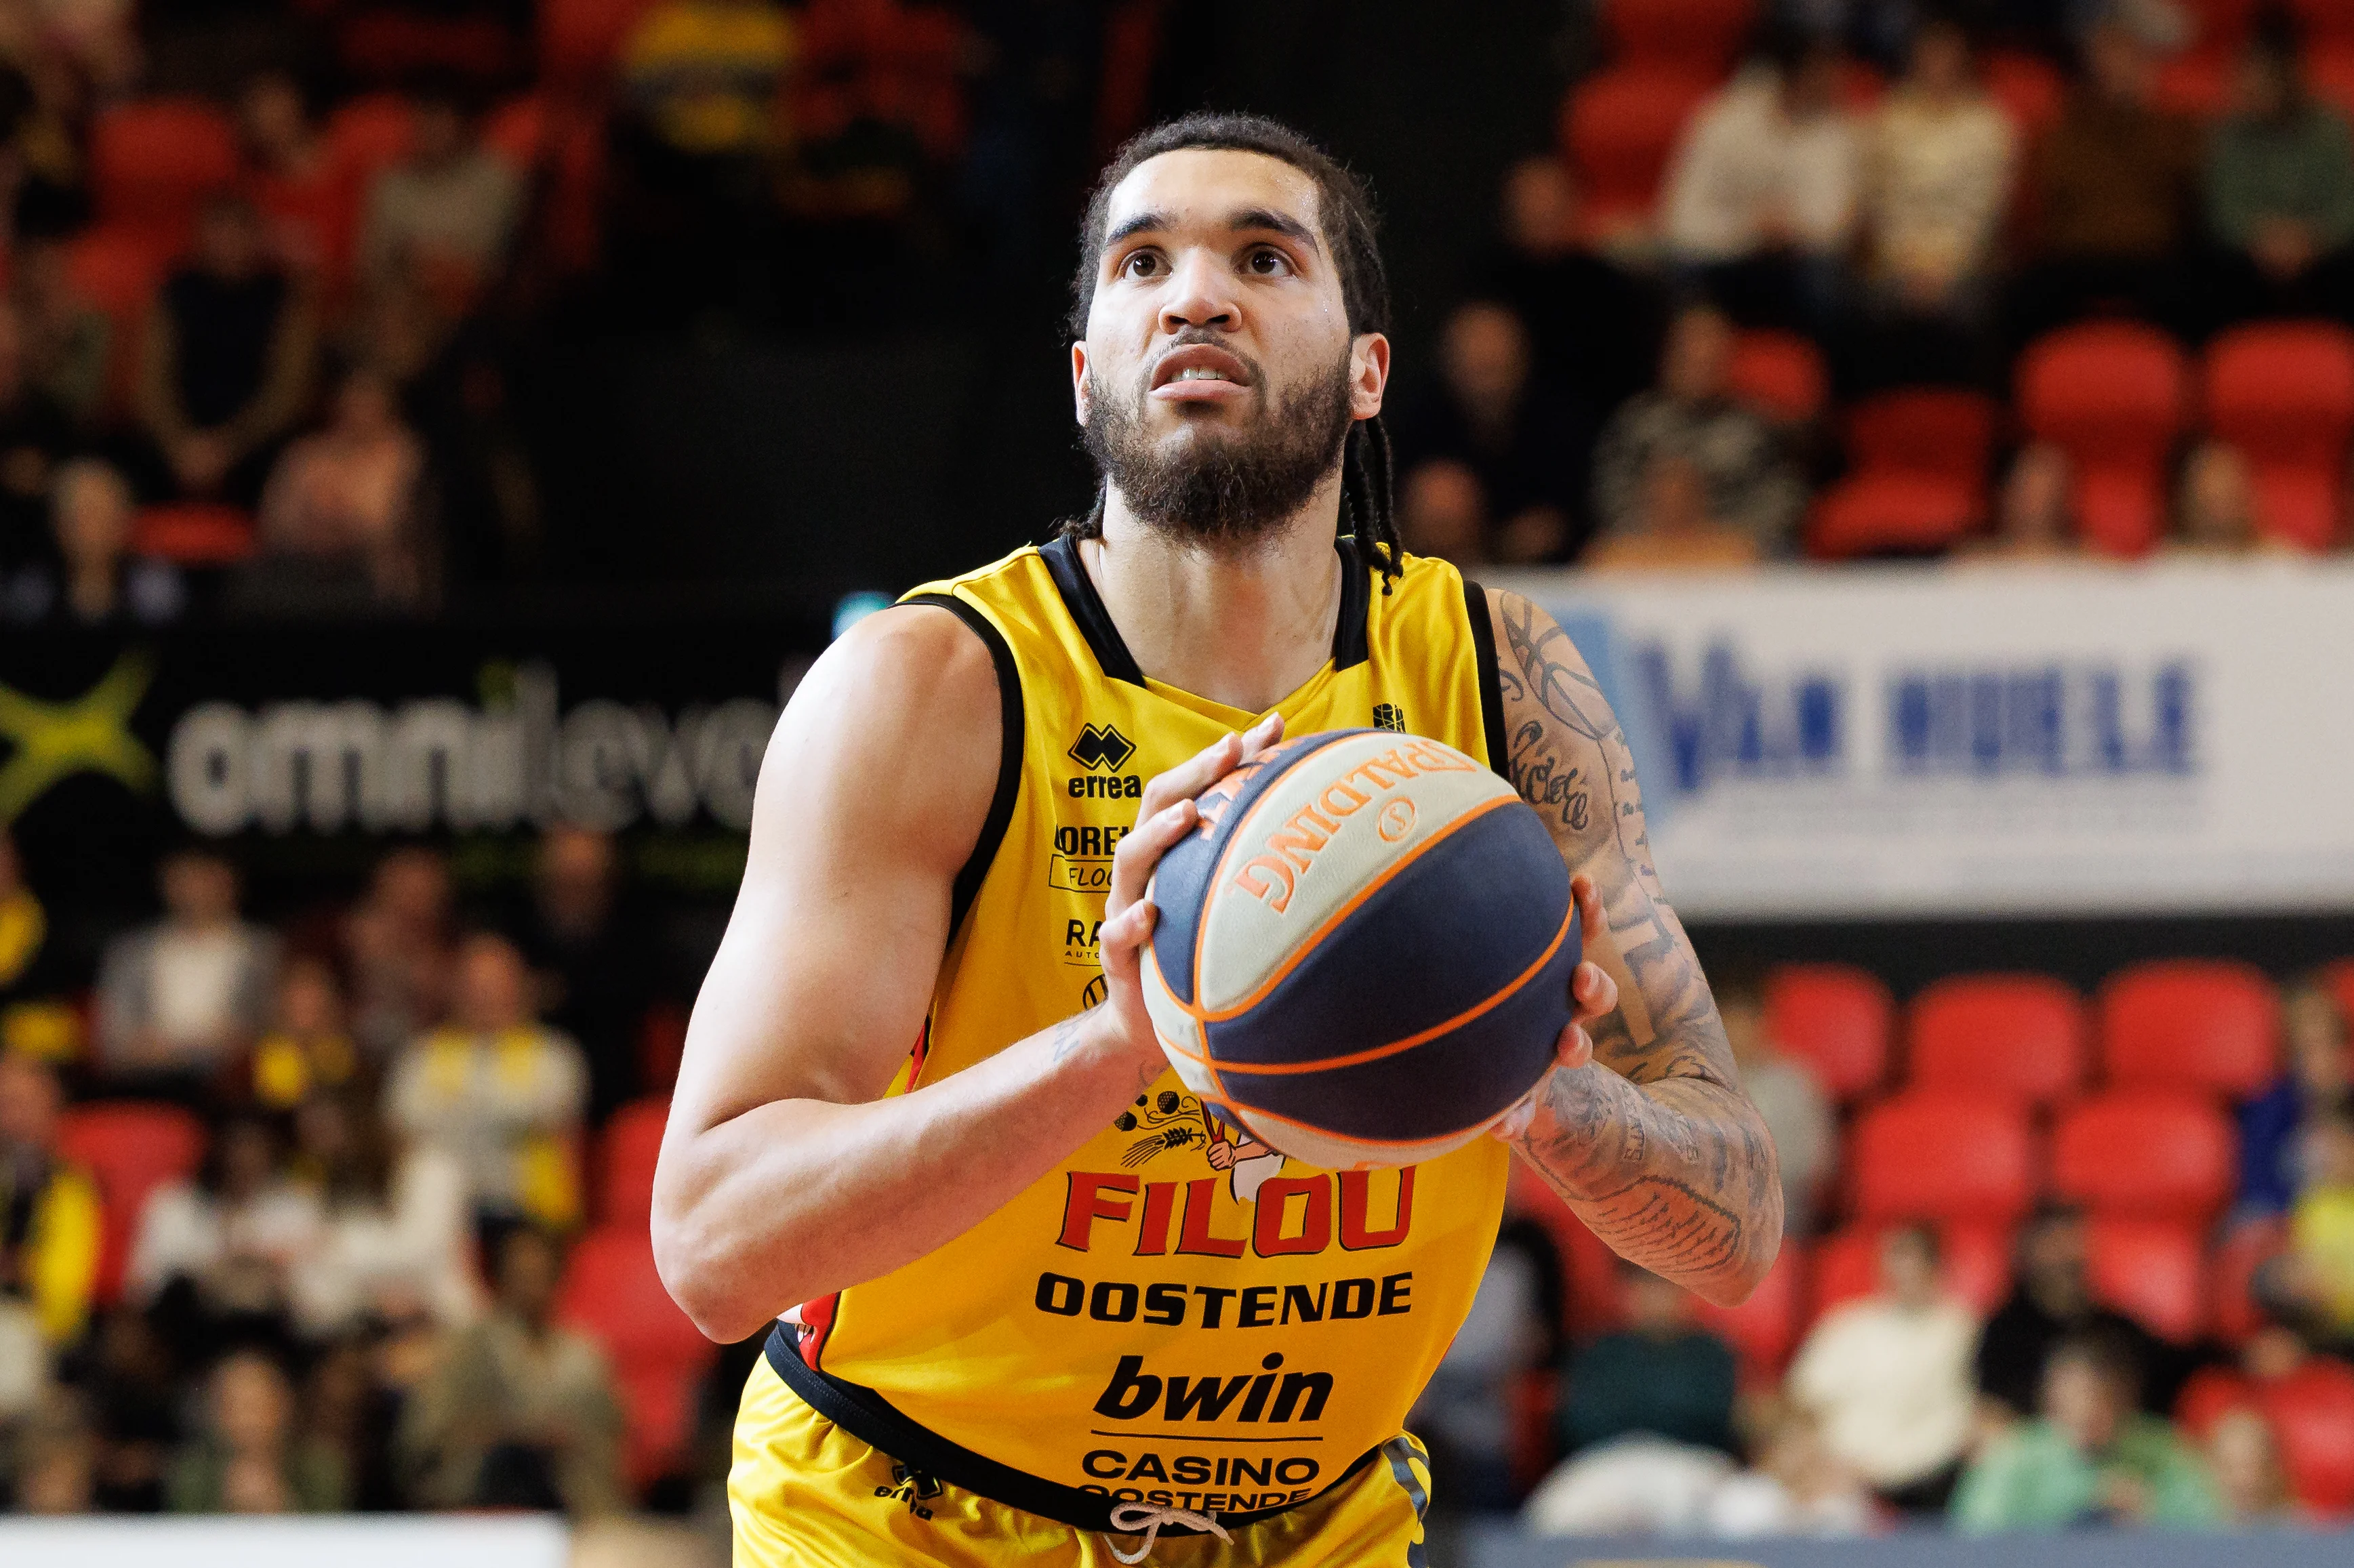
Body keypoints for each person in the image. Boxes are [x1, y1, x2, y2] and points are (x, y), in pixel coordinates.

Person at [655, 112, 1780, 1564]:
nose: (1194, 293)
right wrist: (1119, 1040)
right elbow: (711, 1243)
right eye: (1140, 262)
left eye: (1262, 254)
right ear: (1083, 376)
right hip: (910, 1515)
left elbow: (1733, 1224)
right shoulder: (929, 687)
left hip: (1316, 1525)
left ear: (1368, 368)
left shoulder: (1498, 681)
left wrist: (1538, 1090)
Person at [398, 1225, 624, 1515]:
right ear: (500, 1279)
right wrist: (516, 1435)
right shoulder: (466, 1350)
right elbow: (429, 1438)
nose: (532, 1288)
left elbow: (606, 1437)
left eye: (542, 1276)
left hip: (570, 1505)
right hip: (480, 1503)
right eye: (522, 1276)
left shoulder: (585, 1355)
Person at [2010, 19, 2202, 345]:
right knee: (2020, 298)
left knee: (2197, 295)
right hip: (2080, 256)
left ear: (2145, 65)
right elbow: (2055, 200)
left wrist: (2136, 113)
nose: (2116, 69)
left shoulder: (2173, 128)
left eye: (2127, 58)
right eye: (2107, 58)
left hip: (2149, 256)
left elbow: (2185, 195)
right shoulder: (2064, 131)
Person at [1661, 30, 1862, 332]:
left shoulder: (1836, 132)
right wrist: (1746, 230)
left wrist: (1791, 230)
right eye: (1823, 69)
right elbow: (1682, 213)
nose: (1835, 81)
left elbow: (1836, 225)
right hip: (1724, 257)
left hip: (1793, 264)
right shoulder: (1722, 121)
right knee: (1680, 269)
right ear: (1794, 71)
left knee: (1827, 283)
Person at [386, 932, 588, 1232]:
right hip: (444, 1214)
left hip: (525, 1212)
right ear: (455, 990)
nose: (484, 997)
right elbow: (402, 1142)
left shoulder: (554, 1057)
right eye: (474, 986)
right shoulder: (420, 1058)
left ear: (519, 988)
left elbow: (565, 1143)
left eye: (495, 986)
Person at [134, 192, 317, 506]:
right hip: (178, 441)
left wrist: (228, 447)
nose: (228, 242)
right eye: (219, 231)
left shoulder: (285, 298)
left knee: (296, 471)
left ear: (257, 237)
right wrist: (179, 444)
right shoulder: (175, 291)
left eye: (238, 232)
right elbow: (150, 385)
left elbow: (286, 393)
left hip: (255, 445)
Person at [1590, 304, 1807, 555]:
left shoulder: (1755, 428)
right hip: (1644, 555)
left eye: (1710, 355)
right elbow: (1606, 493)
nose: (1700, 361)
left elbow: (1783, 497)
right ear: (1668, 355)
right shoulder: (1635, 423)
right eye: (1689, 353)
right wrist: (1653, 534)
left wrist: (1724, 537)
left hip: (1729, 558)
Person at [1788, 1224, 1978, 1511]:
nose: (1902, 1275)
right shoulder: (1844, 1327)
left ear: (1935, 1268)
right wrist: (1812, 1463)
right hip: (1830, 1475)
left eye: (1912, 1263)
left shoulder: (1963, 1333)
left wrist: (1880, 1475)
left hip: (1920, 1487)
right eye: (1894, 1262)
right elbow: (1800, 1404)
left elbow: (1963, 1424)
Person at [1951, 1331, 2219, 1530]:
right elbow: (1974, 1536)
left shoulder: (2165, 1451)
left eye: (2100, 1397)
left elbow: (2212, 1526)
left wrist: (2152, 1512)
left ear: (2125, 1399)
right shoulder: (2014, 1456)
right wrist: (2079, 1506)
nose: (2088, 1410)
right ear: (2051, 1403)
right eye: (2075, 1397)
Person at [1392, 300, 1593, 565]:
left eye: (1497, 360)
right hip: (1433, 575)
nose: (1486, 364)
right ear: (1448, 360)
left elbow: (1562, 522)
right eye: (1476, 356)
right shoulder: (1416, 420)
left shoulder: (1562, 425)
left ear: (1523, 358)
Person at [1465, 157, 1663, 425]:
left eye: (1551, 203)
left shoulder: (1612, 289)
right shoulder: (1484, 286)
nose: (1542, 212)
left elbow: (1629, 381)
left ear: (1575, 207)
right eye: (1531, 203)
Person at [287, 1085, 476, 1338]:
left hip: (440, 1317)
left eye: (325, 1132)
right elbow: (313, 1277)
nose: (321, 1149)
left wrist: (334, 1246)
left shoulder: (432, 1169)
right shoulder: (340, 1186)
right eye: (310, 1137)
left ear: (359, 1124)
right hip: (362, 1323)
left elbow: (422, 1252)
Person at [1861, 16, 2015, 325]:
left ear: (1964, 61)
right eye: (1929, 55)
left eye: (1946, 55)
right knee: (1863, 305)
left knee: (1978, 304)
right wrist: (1907, 263)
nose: (1937, 65)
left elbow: (1984, 212)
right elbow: (1880, 201)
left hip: (1964, 264)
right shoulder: (1887, 119)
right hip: (1897, 261)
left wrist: (1943, 268)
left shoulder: (1989, 125)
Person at [1975, 1202, 2183, 1420]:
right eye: (2055, 1242)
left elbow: (2173, 1372)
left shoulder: (2118, 1330)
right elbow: (1995, 1411)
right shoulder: (2002, 1336)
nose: (2070, 1254)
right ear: (2026, 1252)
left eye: (2076, 1239)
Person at [247, 363, 429, 612]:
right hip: (300, 570)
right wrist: (316, 531)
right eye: (353, 398)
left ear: (389, 405)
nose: (359, 409)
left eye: (369, 399)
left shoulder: (407, 456)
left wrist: (345, 524)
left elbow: (398, 527)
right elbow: (273, 524)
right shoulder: (305, 455)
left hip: (372, 574)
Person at [96, 848, 278, 1096]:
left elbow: (272, 1029)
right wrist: (159, 1050)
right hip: (147, 1085)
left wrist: (232, 1044)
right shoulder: (130, 955)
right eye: (185, 878)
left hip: (237, 1091)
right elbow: (113, 1041)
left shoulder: (263, 952)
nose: (195, 891)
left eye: (205, 879)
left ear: (229, 883)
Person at [125, 1113, 321, 1340]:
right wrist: (212, 1272)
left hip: (273, 1336)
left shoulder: (296, 1208)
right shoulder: (175, 1205)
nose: (244, 1158)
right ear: (216, 1150)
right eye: (236, 1146)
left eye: (255, 1146)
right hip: (187, 1334)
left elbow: (316, 1301)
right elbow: (143, 1285)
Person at [512, 823, 657, 1126]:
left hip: (613, 1087)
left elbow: (638, 1001)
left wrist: (559, 993)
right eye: (565, 880)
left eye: (586, 881)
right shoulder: (518, 932)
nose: (575, 890)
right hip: (528, 1082)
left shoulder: (636, 935)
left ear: (606, 881)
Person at [2206, 31, 2354, 325]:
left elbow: (2346, 207)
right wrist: (2261, 239)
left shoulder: (2331, 131)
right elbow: (2222, 210)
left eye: (2257, 79)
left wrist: (2311, 240)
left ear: (2286, 80)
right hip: (2252, 256)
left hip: (2320, 254)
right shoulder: (2230, 133)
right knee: (2206, 272)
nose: (2245, 88)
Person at [357, 82, 522, 314]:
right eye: (422, 118)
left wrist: (430, 265)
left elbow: (490, 265)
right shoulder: (390, 182)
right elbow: (372, 266)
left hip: (478, 312)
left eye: (440, 119)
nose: (429, 129)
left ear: (465, 124)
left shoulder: (498, 179)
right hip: (401, 310)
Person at [1560, 1262, 1741, 1458]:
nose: (1656, 1296)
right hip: (1611, 1465)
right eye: (1646, 1283)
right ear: (1627, 1290)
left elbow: (1722, 1427)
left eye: (1665, 1284)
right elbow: (1580, 1427)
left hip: (1692, 1468)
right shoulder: (1599, 1354)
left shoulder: (1712, 1355)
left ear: (1686, 1289)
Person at [1714, 974, 1834, 1237]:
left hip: (1779, 1203)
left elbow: (1817, 1161)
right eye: (1730, 1022)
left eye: (1746, 1023)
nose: (1738, 1033)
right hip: (1708, 1199)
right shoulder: (1698, 1078)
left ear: (1764, 1024)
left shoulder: (1796, 1083)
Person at [167, 1348, 347, 1512]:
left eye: (260, 1406)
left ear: (283, 1408)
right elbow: (182, 1540)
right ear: (216, 1413)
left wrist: (283, 1506)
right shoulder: (191, 1472)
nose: (249, 1421)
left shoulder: (321, 1468)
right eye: (235, 1407)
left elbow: (336, 1539)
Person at [0, 1050, 100, 1347]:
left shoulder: (73, 1188)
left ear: (52, 1112)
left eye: (23, 1105)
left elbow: (64, 1309)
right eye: (4, 1105)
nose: (11, 1121)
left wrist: (24, 1271)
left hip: (37, 1339)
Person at [12, 459, 182, 627]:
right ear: (60, 526)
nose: (97, 530)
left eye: (106, 516)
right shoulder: (30, 596)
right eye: (85, 516)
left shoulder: (155, 591)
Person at [2238, 982, 2349, 1218]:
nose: (2320, 1061)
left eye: (2329, 1044)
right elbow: (2257, 1189)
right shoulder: (2268, 1108)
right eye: (2306, 1049)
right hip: (2286, 1224)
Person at [344, 847, 454, 1060]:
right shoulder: (348, 944)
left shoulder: (451, 956)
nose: (414, 907)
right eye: (405, 893)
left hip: (432, 1068)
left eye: (424, 896)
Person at [237, 70, 338, 283]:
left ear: (296, 102)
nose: (264, 117)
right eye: (256, 108)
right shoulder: (251, 188)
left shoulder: (349, 159)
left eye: (273, 103)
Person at [1582, 455, 1766, 572]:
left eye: (1683, 491)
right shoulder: (1614, 556)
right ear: (1646, 495)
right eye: (1663, 490)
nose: (1673, 500)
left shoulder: (1734, 552)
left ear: (1701, 495)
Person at [243, 955, 361, 1113]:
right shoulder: (270, 1050)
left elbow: (342, 1091)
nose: (309, 1003)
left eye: (315, 993)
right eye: (301, 994)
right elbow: (277, 1100)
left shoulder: (343, 1048)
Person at [2286, 1104, 2354, 1338]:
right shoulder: (2312, 1205)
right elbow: (2308, 1275)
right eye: (2330, 1151)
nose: (2338, 1159)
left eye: (2345, 1148)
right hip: (2329, 1330)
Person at [1961, 442, 2080, 560]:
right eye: (2027, 488)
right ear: (2004, 494)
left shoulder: (2083, 566)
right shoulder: (1971, 563)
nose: (2036, 505)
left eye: (2049, 490)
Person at [2168, 440, 2279, 556]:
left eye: (2232, 495)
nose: (2224, 501)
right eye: (2212, 499)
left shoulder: (2285, 566)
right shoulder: (2162, 570)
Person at [2206, 1406, 2297, 1525]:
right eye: (2230, 1468)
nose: (2242, 1479)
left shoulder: (2299, 1531)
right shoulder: (2199, 1528)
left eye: (2252, 1466)